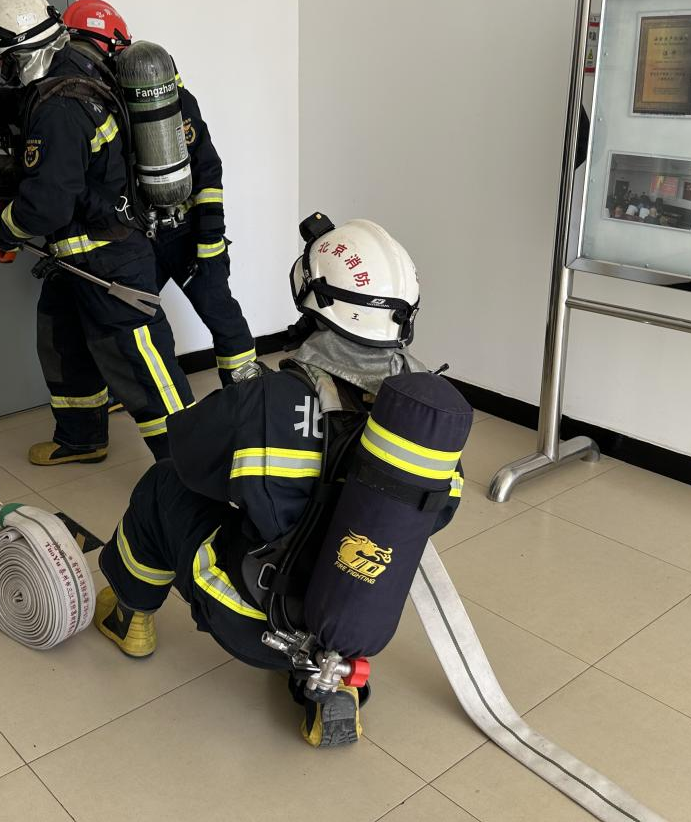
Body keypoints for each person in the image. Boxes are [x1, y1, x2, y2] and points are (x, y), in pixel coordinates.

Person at [94, 214, 464, 747]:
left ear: (314, 300)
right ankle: (332, 683)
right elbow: (436, 511)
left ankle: (129, 616)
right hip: (350, 615)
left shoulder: (269, 400)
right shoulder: (420, 421)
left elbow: (190, 457)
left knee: (163, 485)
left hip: (255, 620)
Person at [0, 0, 194, 464]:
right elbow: (22, 101)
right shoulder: (70, 67)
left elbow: (47, 206)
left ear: (10, 50)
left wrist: (0, 230)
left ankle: (191, 468)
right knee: (63, 342)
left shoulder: (59, 108)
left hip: (108, 259)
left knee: (141, 365)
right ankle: (82, 438)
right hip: (75, 258)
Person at [58, 0, 262, 387]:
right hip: (152, 234)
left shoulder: (142, 102)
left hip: (167, 234)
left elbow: (206, 168)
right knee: (149, 318)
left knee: (207, 312)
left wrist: (210, 239)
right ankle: (240, 392)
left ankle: (244, 390)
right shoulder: (107, 104)